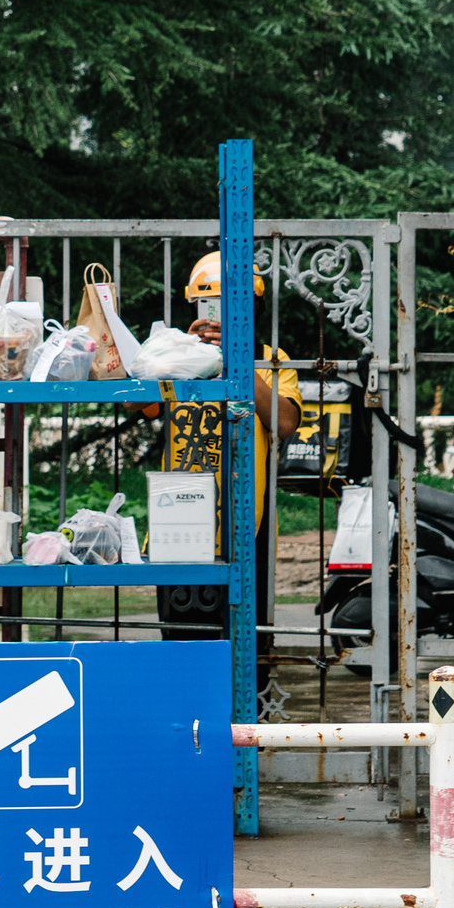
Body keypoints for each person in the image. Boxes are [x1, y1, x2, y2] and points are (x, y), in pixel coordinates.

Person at [148, 252, 303, 652]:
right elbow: (138, 404)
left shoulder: (271, 360)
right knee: (184, 640)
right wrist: (180, 352)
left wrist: (238, 359)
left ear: (253, 307)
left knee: (247, 640)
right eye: (209, 304)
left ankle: (251, 693)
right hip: (179, 511)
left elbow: (285, 422)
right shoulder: (178, 354)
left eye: (233, 304)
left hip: (246, 515)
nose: (219, 315)